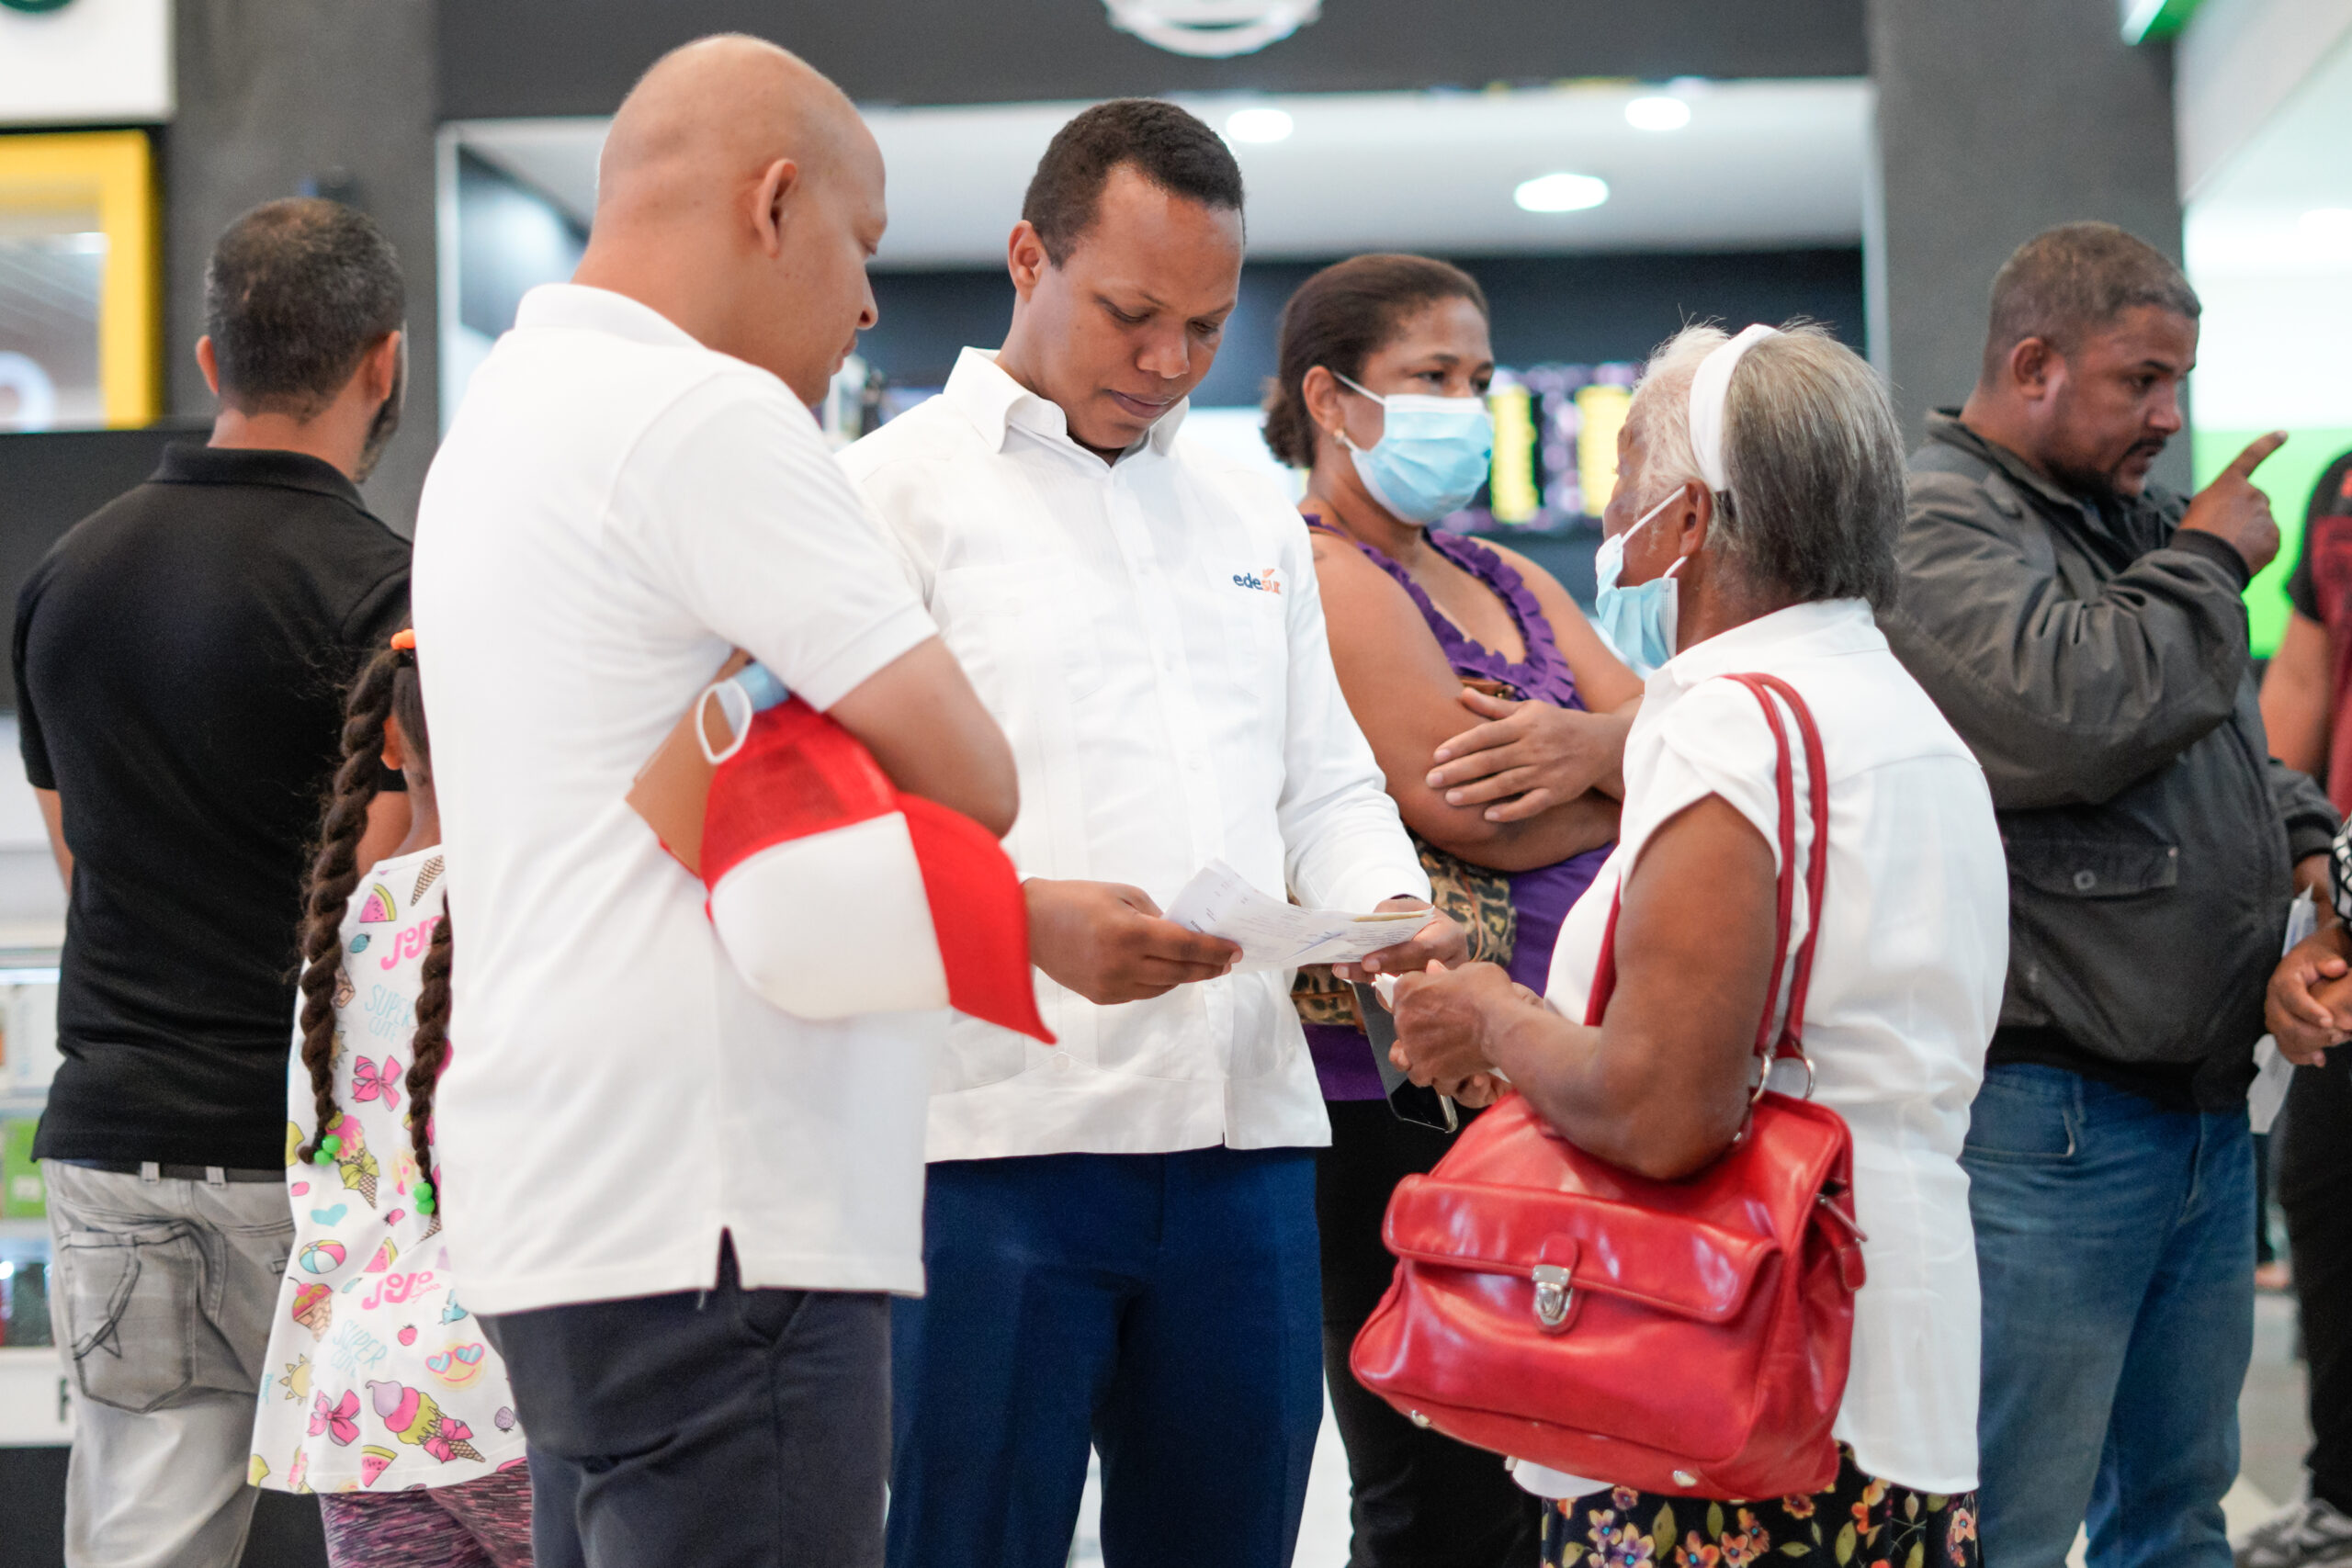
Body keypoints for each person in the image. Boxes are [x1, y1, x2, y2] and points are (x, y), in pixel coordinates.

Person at [410, 36, 1016, 1568]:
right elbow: (977, 773)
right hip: (727, 1209)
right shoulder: (707, 420)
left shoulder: (496, 431)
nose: (869, 303)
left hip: (565, 1206)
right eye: (860, 247)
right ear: (774, 202)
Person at [839, 101, 1462, 1568]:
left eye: (1203, 323)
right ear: (1023, 260)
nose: (1169, 362)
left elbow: (1325, 779)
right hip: (987, 1140)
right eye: (1131, 314)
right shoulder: (886, 497)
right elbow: (834, 825)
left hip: (1245, 1137)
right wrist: (1022, 909)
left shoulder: (1249, 520)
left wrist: (1393, 917)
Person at [1387, 320, 2007, 1568]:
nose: (1608, 500)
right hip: (1897, 1362)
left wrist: (1493, 1012)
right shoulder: (1903, 714)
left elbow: (1667, 1107)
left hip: (1741, 1369)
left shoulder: (1728, 730)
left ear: (1684, 521)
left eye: (1625, 468)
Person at [1876, 221, 2338, 1568]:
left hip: (2192, 1110)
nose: (2170, 415)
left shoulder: (2120, 516)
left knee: (2174, 1511)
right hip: (2054, 1118)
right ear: (2033, 363)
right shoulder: (1934, 516)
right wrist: (2208, 560)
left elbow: (2226, 744)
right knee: (2010, 1520)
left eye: (2178, 381)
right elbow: (2066, 711)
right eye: (2142, 380)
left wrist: (2308, 862)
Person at [15, 197, 413, 1568]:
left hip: (120, 1143)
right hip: (337, 1160)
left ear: (208, 359)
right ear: (383, 362)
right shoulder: (383, 589)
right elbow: (407, 893)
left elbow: (83, 858)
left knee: (144, 1538)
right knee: (427, 1519)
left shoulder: (66, 575)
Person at [1259, 252, 1639, 1566]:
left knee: (1544, 1466)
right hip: (1403, 1085)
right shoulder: (1318, 568)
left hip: (1550, 1065)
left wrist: (1587, 757)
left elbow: (1678, 738)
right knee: (1434, 1476)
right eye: (1432, 376)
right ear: (1330, 393)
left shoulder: (1507, 574)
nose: (1467, 405)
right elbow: (1466, 803)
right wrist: (1611, 768)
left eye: (1477, 377)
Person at [248, 630, 533, 1564]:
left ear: (392, 745)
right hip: (510, 1378)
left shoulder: (348, 924)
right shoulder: (536, 908)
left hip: (357, 1395)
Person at [2235, 449, 2352, 1568]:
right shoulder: (2340, 494)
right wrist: (2300, 867)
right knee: (2324, 1199)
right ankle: (2342, 1494)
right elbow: (2302, 698)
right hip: (2348, 923)